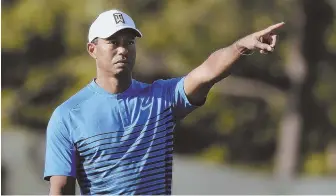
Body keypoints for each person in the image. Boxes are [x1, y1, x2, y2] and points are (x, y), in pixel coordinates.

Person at [43, 9, 284, 195]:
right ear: (92, 49)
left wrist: (240, 46)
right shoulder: (68, 116)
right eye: (113, 42)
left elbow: (207, 71)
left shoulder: (160, 98)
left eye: (129, 42)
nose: (123, 49)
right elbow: (62, 189)